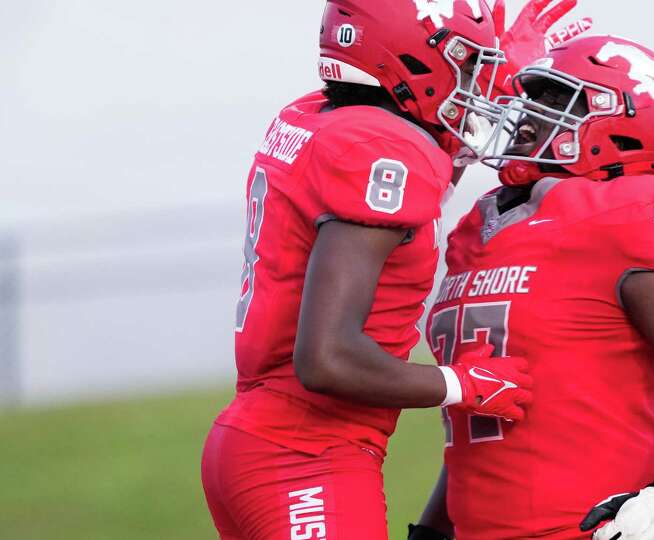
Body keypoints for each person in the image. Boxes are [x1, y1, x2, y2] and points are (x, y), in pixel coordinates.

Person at [199, 1, 583, 539]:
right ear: (411, 57)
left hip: (261, 439)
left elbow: (407, 198)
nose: (477, 84)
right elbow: (327, 359)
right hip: (302, 453)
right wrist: (460, 385)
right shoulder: (382, 147)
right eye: (467, 64)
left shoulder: (318, 115)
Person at [410, 35, 654, 540]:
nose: (526, 115)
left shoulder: (620, 219)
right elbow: (483, 426)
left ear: (620, 128)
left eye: (554, 102)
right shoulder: (482, 230)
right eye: (531, 98)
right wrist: (436, 527)